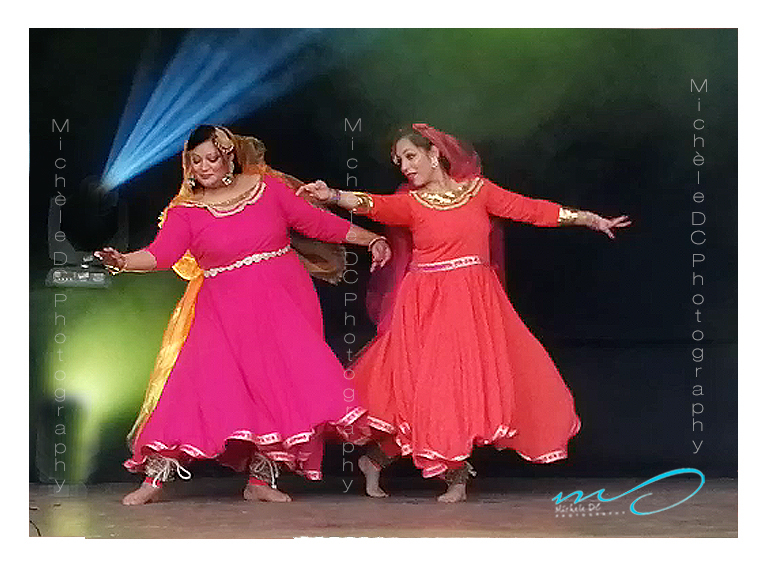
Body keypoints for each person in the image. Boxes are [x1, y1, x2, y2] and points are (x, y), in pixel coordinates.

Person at [298, 123, 630, 502]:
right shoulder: (411, 203)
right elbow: (372, 203)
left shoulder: (479, 192)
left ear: (434, 153)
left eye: (410, 156)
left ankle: (379, 459)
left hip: (476, 303)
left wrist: (587, 218)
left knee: (469, 385)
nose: (405, 167)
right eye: (399, 161)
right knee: (430, 387)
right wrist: (333, 195)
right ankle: (453, 475)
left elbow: (530, 210)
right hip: (426, 304)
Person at [96, 125, 391, 505]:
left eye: (211, 158)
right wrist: (123, 261)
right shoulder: (186, 213)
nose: (203, 167)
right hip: (221, 308)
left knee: (276, 386)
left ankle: (261, 480)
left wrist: (372, 238)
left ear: (229, 156)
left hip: (283, 302)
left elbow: (319, 223)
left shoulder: (266, 190)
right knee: (194, 384)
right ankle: (154, 480)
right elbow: (162, 254)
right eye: (195, 160)